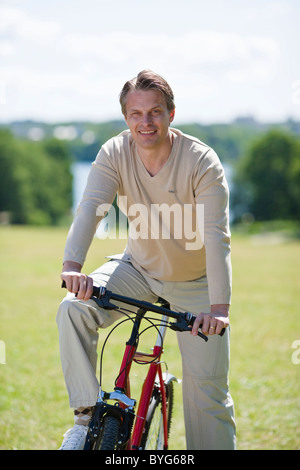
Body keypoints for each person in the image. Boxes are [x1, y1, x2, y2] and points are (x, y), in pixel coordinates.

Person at [57, 70, 236, 450]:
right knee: (73, 309)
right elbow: (92, 208)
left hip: (196, 284)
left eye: (155, 112)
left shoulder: (202, 161)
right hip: (137, 269)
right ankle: (88, 417)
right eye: (136, 114)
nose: (146, 122)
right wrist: (73, 266)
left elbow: (216, 236)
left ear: (171, 113)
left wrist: (219, 309)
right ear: (126, 118)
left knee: (207, 395)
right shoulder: (115, 152)